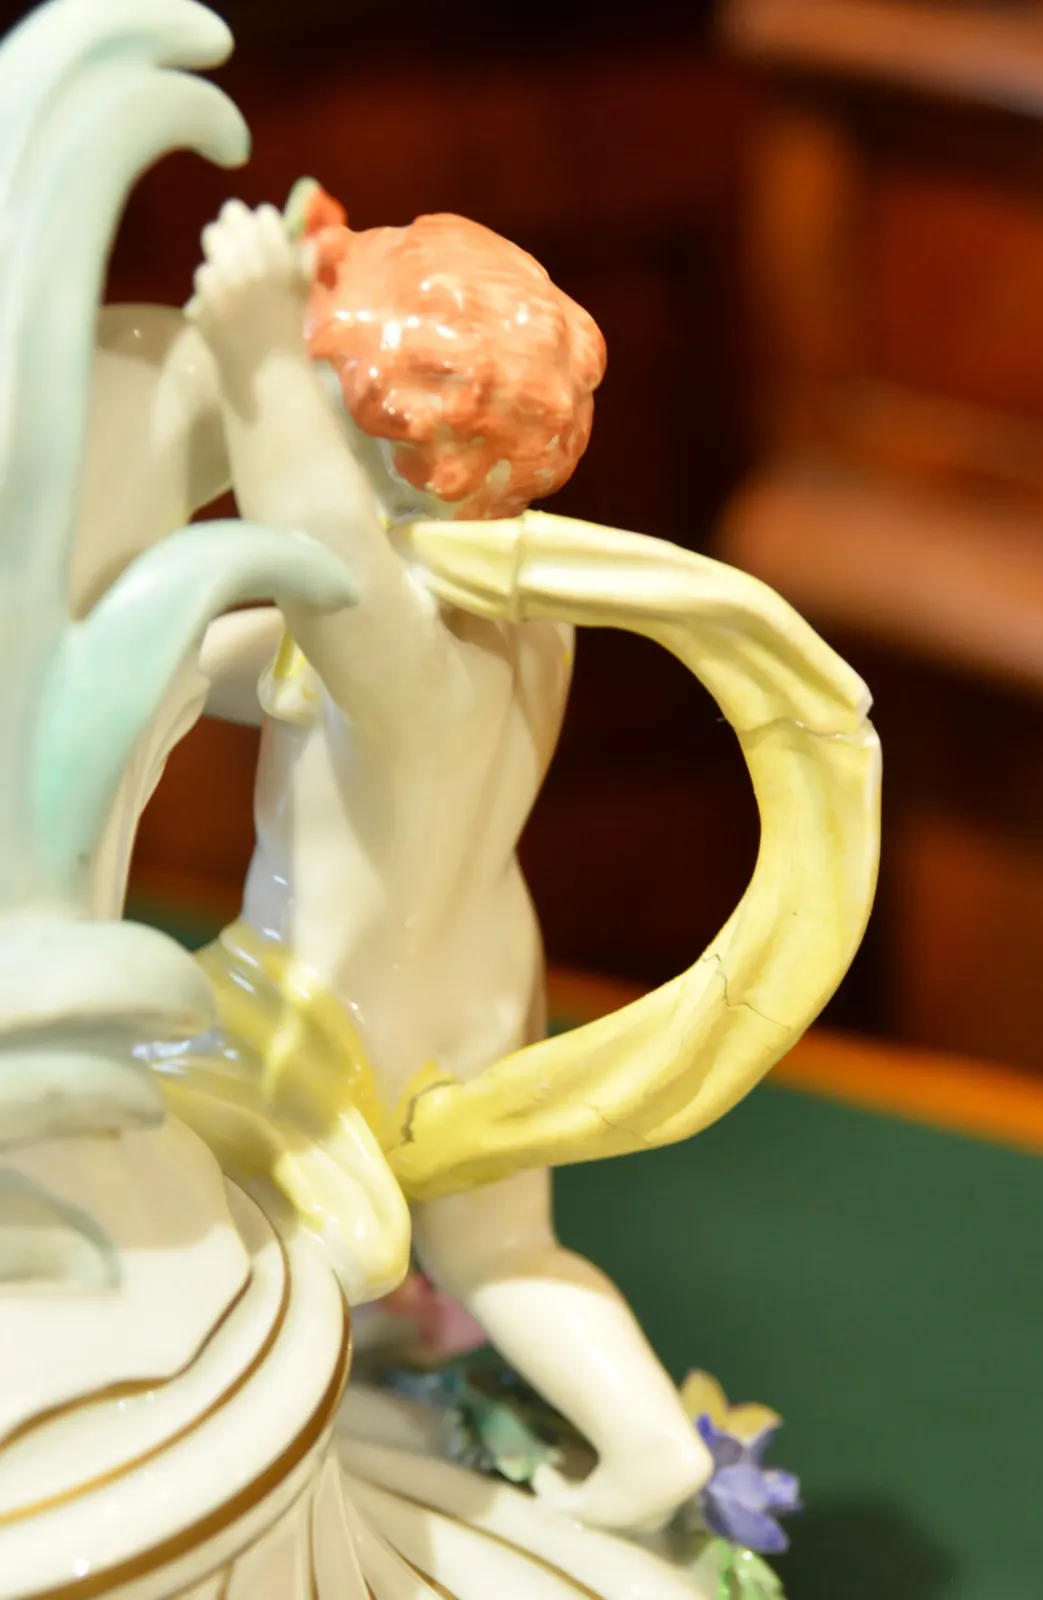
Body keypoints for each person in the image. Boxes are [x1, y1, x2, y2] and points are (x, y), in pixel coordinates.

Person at [172, 193, 714, 1532]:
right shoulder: (519, 608)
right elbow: (246, 661)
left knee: (119, 1110)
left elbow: (322, 562)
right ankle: (649, 1448)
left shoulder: (401, 628)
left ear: (393, 439)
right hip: (479, 987)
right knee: (504, 1244)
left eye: (316, 401)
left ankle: (230, 1393)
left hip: (330, 1002)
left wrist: (250, 355)